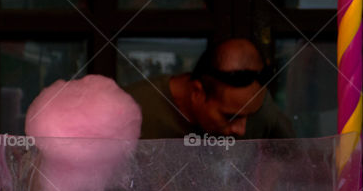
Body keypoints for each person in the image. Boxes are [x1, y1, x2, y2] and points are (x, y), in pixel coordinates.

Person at [126, 38, 295, 139]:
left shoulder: (259, 108)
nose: (241, 130)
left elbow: (289, 158)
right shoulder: (135, 110)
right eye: (230, 117)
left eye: (249, 116)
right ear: (198, 92)